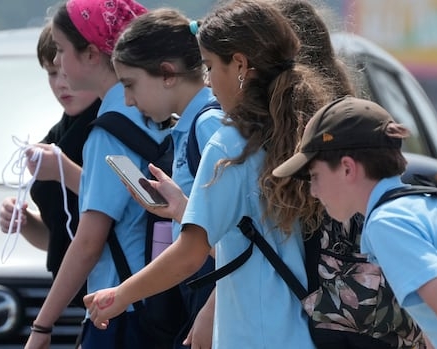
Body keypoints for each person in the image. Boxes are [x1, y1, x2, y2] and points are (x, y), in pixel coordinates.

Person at [83, 0, 332, 347]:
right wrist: (184, 210)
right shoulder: (298, 132)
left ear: (241, 66)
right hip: (304, 332)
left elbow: (190, 253)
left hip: (253, 335)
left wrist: (119, 296)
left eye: (210, 66)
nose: (208, 82)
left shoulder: (231, 144)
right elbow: (251, 243)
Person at [272, 96, 437, 349]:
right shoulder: (414, 205)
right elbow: (433, 322)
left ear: (347, 168)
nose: (313, 191)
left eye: (315, 176)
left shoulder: (389, 223)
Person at [24, 0, 170, 348]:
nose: (57, 62)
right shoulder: (154, 113)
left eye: (60, 50)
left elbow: (88, 242)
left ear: (91, 54)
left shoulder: (107, 133)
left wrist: (42, 327)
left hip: (119, 308)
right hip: (160, 302)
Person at [111, 8, 225, 349]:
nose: (129, 101)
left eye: (130, 85)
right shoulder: (192, 125)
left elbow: (245, 233)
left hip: (217, 290)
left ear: (167, 73)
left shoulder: (208, 125)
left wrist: (211, 309)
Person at [0, 20, 100, 309]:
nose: (61, 83)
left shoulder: (114, 128)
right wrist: (26, 222)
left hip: (111, 294)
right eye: (52, 73)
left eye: (66, 72)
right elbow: (60, 236)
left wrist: (65, 172)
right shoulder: (58, 133)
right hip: (73, 297)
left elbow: (131, 209)